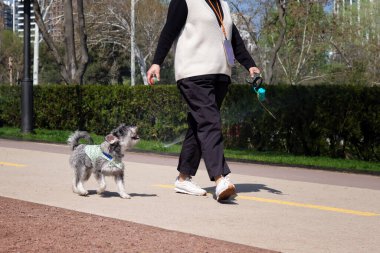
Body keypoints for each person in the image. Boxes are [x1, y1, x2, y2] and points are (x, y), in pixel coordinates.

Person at [147, 0, 260, 201]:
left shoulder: (223, 5)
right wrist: (157, 62)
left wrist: (250, 65)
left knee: (200, 124)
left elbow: (235, 41)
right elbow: (168, 31)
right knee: (210, 122)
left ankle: (183, 178)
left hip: (220, 75)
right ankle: (220, 178)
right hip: (193, 73)